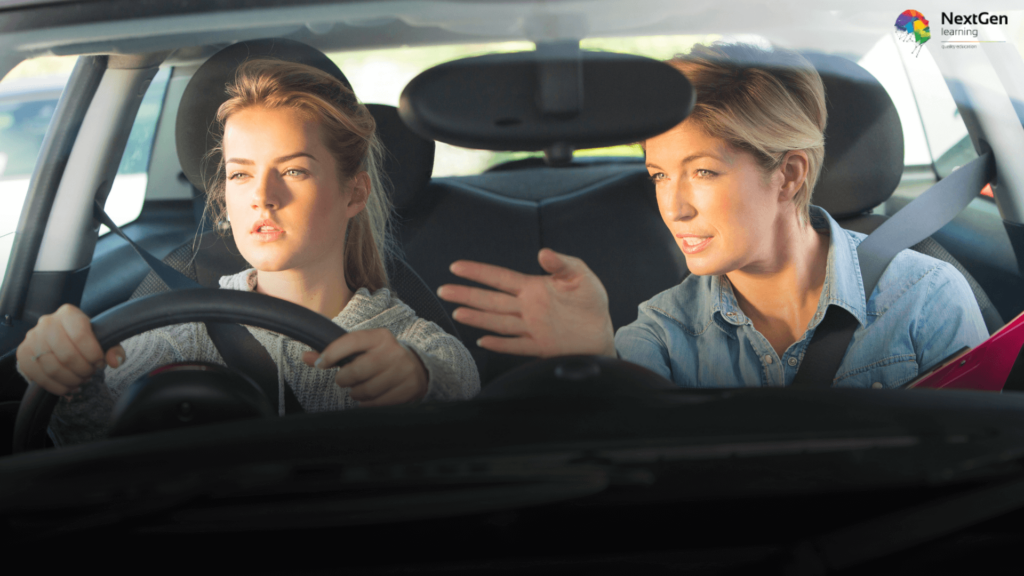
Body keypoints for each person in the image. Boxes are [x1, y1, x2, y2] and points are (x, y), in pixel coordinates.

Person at [437, 42, 987, 388]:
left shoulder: (925, 297)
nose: (673, 207)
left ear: (789, 174)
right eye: (658, 175)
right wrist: (600, 360)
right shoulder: (661, 333)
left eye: (702, 172)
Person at [17, 59, 480, 445]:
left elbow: (451, 387)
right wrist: (71, 379)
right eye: (240, 175)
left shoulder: (416, 345)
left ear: (354, 194)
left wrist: (417, 383)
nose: (263, 195)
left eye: (294, 170)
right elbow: (91, 448)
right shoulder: (177, 335)